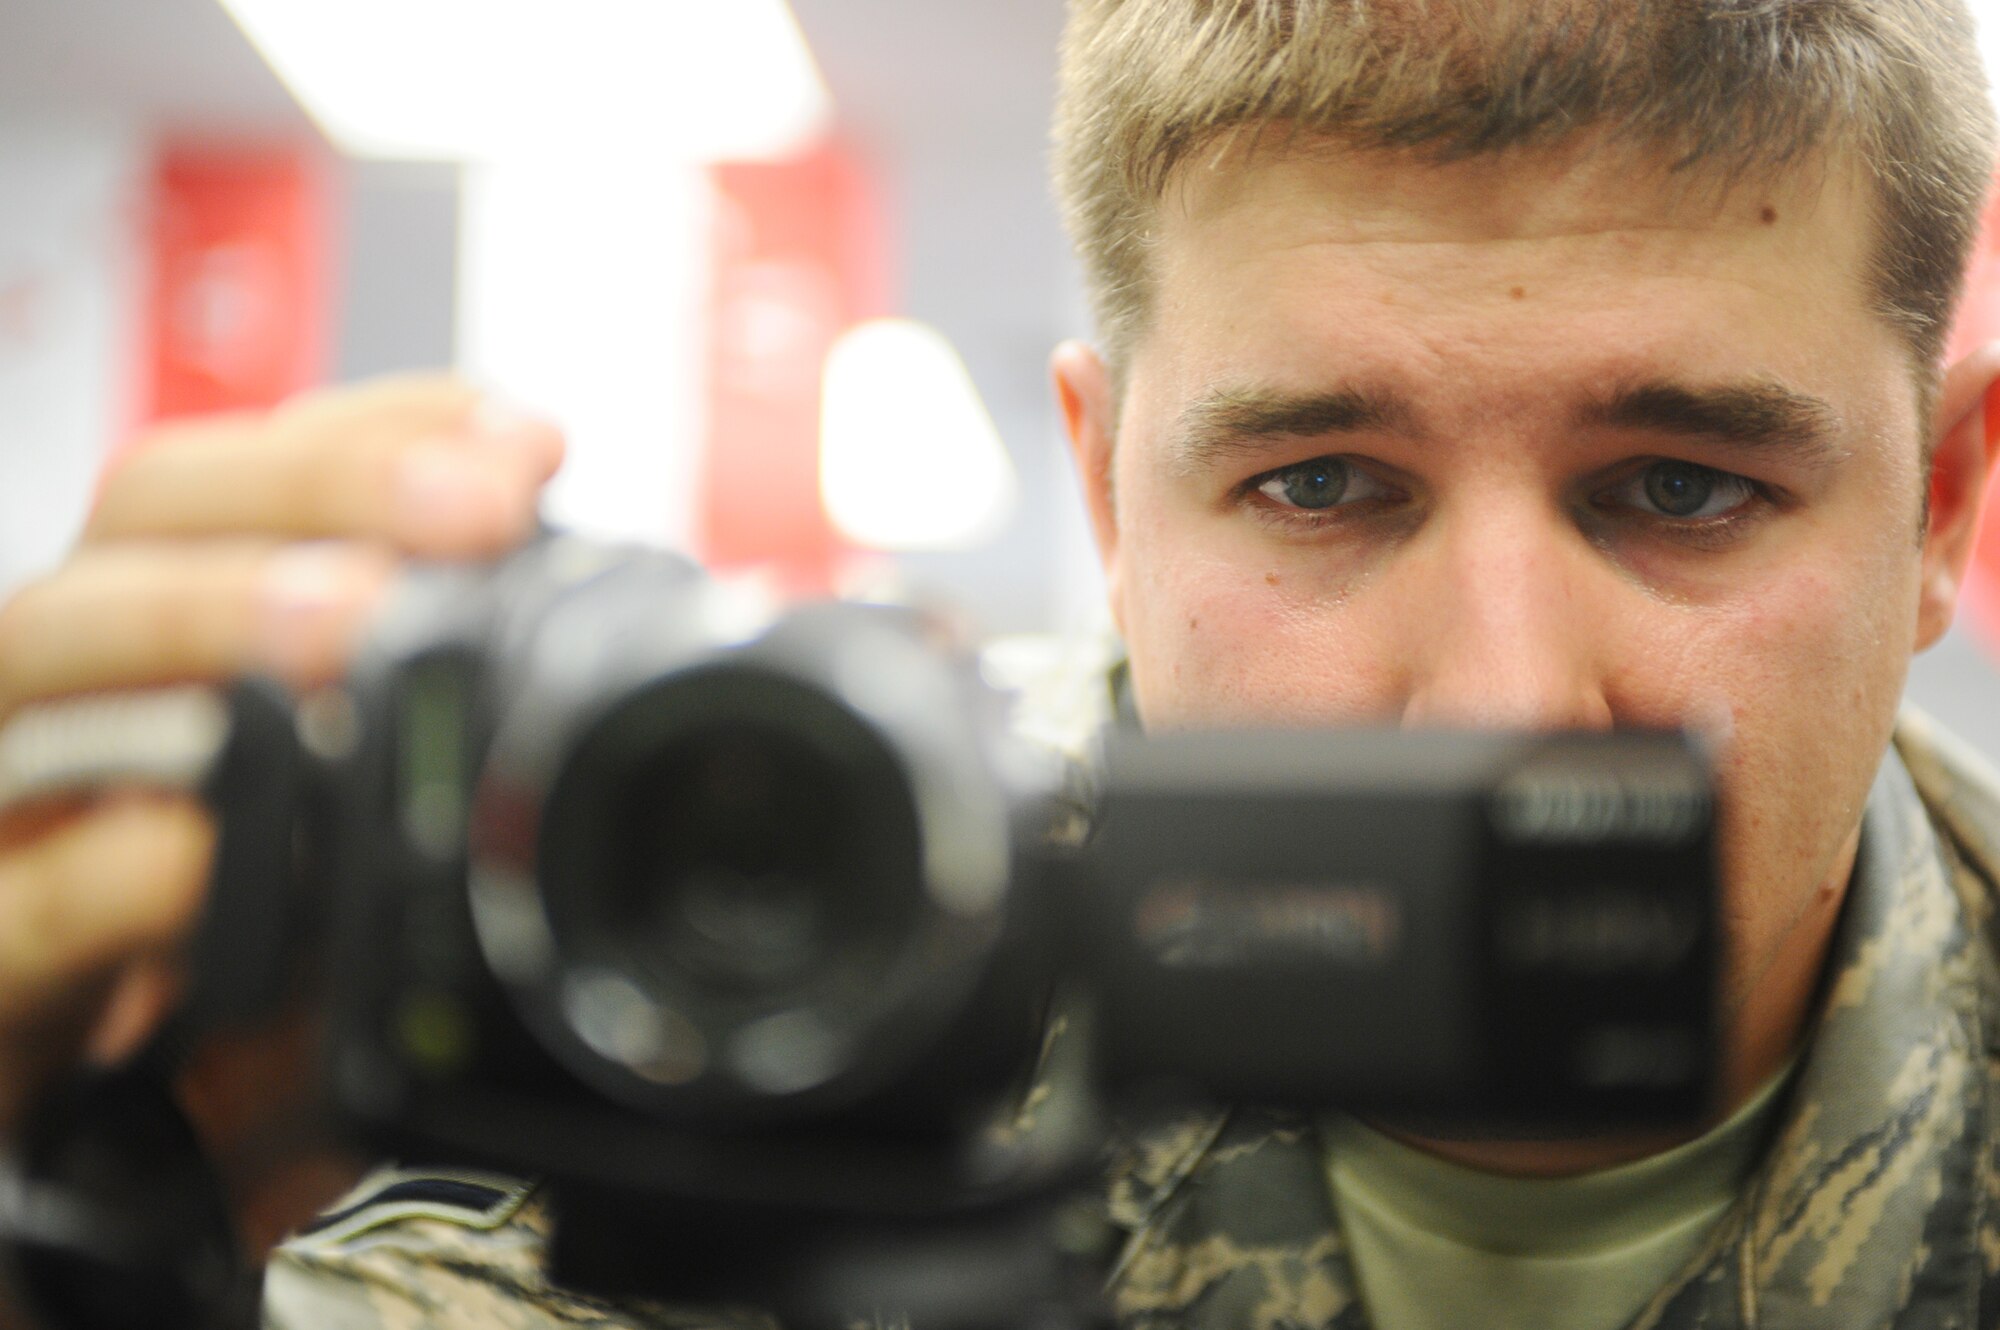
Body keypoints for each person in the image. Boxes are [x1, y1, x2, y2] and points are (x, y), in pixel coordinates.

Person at [3, 0, 2000, 1326]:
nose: (1495, 701)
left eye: (1677, 485)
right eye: (1319, 482)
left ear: (1937, 506)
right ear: (1112, 511)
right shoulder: (733, 978)